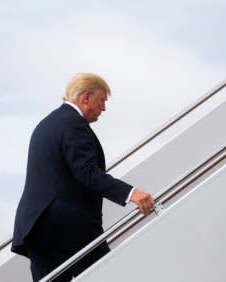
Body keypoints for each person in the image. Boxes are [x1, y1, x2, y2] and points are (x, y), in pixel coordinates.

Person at [11, 73, 155, 281]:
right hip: (67, 226)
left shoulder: (48, 124)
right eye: (102, 100)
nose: (104, 108)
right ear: (86, 97)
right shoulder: (73, 124)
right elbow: (87, 171)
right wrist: (131, 193)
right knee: (104, 274)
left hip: (37, 228)